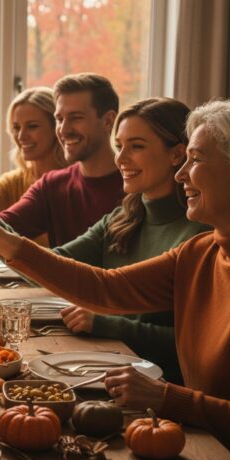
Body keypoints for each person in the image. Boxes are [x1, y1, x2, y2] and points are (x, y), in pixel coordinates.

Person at [0, 99, 230, 460]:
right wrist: (6, 242)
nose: (181, 174)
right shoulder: (204, 251)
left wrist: (167, 397)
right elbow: (105, 288)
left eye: (196, 159)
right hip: (198, 442)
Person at [53, 97, 209, 384]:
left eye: (136, 146)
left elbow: (194, 343)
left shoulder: (201, 235)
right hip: (107, 367)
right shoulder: (123, 217)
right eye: (119, 146)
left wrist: (107, 323)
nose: (120, 159)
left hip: (159, 388)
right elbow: (54, 262)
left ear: (177, 155)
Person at [0, 73, 124, 247]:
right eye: (59, 119)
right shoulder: (51, 186)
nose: (64, 130)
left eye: (76, 118)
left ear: (108, 121)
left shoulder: (136, 186)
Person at [0, 87, 67, 211]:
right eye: (16, 128)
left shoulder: (77, 182)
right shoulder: (9, 184)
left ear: (56, 127)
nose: (21, 136)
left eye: (32, 126)